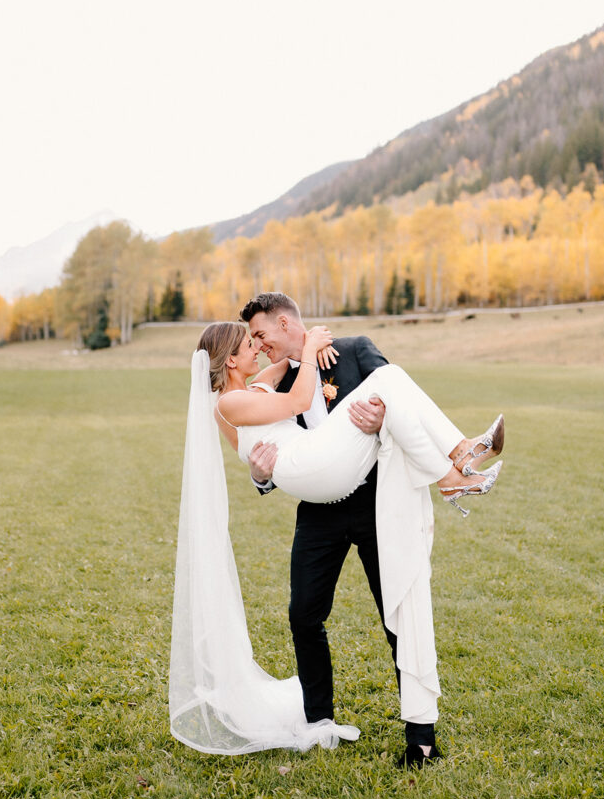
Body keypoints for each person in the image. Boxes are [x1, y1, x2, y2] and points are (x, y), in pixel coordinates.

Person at [169, 299, 503, 765]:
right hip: (318, 503)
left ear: (283, 323)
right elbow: (263, 444)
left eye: (261, 337)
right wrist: (260, 476)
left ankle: (421, 738)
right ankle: (454, 467)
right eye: (251, 343)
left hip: (371, 500)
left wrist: (377, 413)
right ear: (232, 358)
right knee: (303, 614)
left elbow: (400, 410)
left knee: (399, 610)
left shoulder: (350, 350)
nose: (260, 347)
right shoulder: (264, 385)